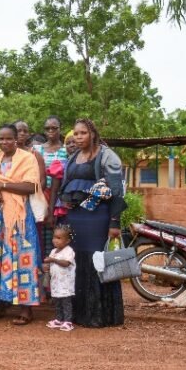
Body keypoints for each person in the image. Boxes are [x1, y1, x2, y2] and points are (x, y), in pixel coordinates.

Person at [60, 118, 125, 327]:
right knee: (79, 261)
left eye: (83, 133)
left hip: (99, 217)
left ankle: (101, 315)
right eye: (76, 134)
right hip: (77, 218)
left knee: (98, 262)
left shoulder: (107, 156)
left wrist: (114, 223)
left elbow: (116, 191)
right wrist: (67, 201)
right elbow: (66, 184)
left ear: (93, 134)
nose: (78, 137)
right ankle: (80, 314)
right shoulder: (73, 157)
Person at [0, 124, 45, 326]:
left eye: (9, 138)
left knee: (22, 257)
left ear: (17, 139)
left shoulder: (27, 158)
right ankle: (1, 303)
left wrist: (3, 186)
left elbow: (32, 186)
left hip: (20, 217)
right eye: (1, 138)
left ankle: (26, 307)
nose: (4, 142)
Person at [35, 116, 69, 254]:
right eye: (47, 128)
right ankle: (41, 264)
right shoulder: (37, 149)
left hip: (59, 196)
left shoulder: (66, 150)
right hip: (40, 194)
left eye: (54, 128)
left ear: (60, 129)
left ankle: (55, 262)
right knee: (39, 231)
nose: (50, 131)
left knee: (56, 231)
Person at [44, 224, 76, 331]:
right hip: (56, 283)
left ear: (67, 241)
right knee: (57, 302)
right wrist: (46, 267)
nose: (55, 240)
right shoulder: (53, 251)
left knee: (66, 303)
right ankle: (59, 319)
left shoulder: (69, 251)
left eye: (59, 238)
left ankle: (68, 321)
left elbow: (66, 263)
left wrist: (53, 260)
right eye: (54, 237)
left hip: (66, 283)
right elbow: (52, 265)